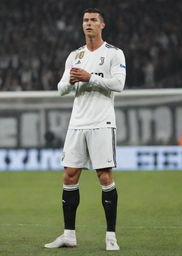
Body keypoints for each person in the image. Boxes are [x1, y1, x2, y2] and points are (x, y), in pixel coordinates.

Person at [44, 8, 126, 251]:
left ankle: (111, 237)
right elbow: (60, 89)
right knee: (69, 175)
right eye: (85, 20)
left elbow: (119, 84)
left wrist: (90, 77)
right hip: (77, 123)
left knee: (104, 176)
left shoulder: (114, 53)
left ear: (102, 25)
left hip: (102, 122)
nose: (88, 24)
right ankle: (69, 235)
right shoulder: (75, 55)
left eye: (93, 20)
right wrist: (71, 80)